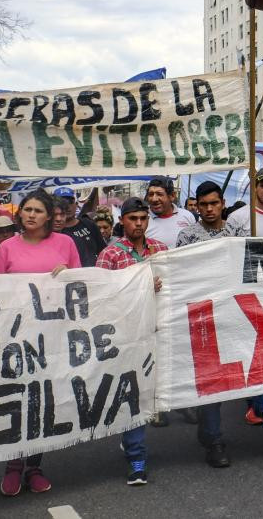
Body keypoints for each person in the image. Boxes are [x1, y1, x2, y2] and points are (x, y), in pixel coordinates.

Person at [0, 188, 82, 496]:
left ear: (49, 216)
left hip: (53, 336)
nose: (30, 214)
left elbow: (80, 288)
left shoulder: (66, 243)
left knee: (43, 401)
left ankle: (34, 467)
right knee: (17, 398)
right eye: (26, 209)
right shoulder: (6, 247)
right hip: (16, 337)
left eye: (37, 210)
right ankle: (13, 465)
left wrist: (67, 275)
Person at [96, 196, 167, 485]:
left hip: (159, 330)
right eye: (133, 219)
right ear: (122, 221)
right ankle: (137, 457)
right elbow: (100, 297)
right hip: (126, 336)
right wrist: (140, 287)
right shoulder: (110, 256)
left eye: (143, 219)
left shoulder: (162, 251)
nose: (139, 224)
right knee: (132, 394)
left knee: (154, 391)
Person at [174, 181, 245, 465]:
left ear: (223, 203)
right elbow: (181, 274)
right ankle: (215, 440)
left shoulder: (238, 231)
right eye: (203, 205)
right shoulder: (187, 236)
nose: (209, 209)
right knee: (212, 376)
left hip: (233, 311)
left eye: (214, 203)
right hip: (202, 314)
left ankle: (207, 423)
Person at [53, 187, 106, 268]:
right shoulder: (53, 233)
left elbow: (103, 252)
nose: (67, 206)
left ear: (76, 204)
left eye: (70, 202)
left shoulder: (89, 224)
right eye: (62, 203)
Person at [145, 176, 197, 248]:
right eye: (151, 194)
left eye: (159, 194)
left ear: (172, 196)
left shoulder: (187, 216)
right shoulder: (142, 220)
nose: (154, 199)